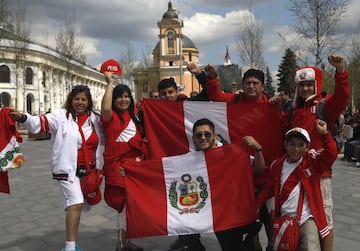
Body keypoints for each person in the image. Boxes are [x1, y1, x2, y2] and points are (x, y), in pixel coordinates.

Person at [187, 62, 273, 251]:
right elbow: (215, 95)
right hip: (238, 171)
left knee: (268, 217)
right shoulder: (234, 101)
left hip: (262, 172)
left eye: (255, 83)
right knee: (249, 228)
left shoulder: (271, 107)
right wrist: (210, 78)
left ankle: (273, 244)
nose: (250, 86)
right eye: (247, 82)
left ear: (263, 87)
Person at [9, 85, 104, 251]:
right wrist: (23, 117)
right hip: (67, 170)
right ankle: (70, 247)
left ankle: (71, 243)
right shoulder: (61, 116)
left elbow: (109, 131)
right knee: (75, 203)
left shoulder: (95, 118)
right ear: (70, 100)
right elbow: (39, 123)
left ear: (89, 102)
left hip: (88, 171)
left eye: (83, 99)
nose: (80, 102)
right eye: (76, 99)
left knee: (80, 205)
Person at [279, 54, 349, 251]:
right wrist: (272, 105)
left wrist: (341, 71)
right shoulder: (293, 110)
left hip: (319, 171)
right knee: (301, 214)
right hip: (296, 172)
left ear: (316, 84)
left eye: (309, 84)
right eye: (302, 85)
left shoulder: (324, 106)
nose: (306, 89)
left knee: (324, 217)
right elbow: (279, 129)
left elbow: (342, 98)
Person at [257, 119, 338, 251]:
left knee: (311, 247)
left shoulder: (312, 162)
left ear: (307, 147)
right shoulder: (277, 165)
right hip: (284, 219)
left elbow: (331, 155)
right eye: (292, 144)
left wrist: (324, 134)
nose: (296, 149)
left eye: (301, 145)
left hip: (306, 219)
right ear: (285, 145)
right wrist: (258, 204)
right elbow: (270, 188)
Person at [101, 72, 147, 251]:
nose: (123, 99)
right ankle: (121, 244)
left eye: (127, 96)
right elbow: (104, 108)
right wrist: (110, 83)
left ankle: (126, 242)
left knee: (130, 207)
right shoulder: (110, 117)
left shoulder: (134, 117)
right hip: (119, 169)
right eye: (119, 96)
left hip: (135, 168)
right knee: (122, 206)